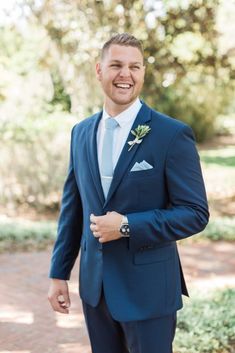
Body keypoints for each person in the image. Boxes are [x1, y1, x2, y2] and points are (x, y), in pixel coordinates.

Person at [48, 33, 209, 353]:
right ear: (99, 70)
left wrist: (126, 226)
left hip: (149, 293)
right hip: (95, 291)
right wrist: (58, 273)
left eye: (135, 67)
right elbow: (73, 208)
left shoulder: (171, 134)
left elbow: (195, 213)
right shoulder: (81, 133)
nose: (126, 74)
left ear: (143, 73)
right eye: (116, 65)